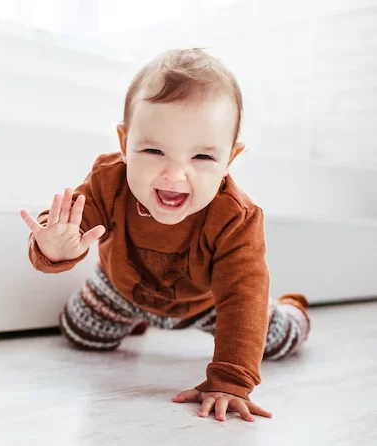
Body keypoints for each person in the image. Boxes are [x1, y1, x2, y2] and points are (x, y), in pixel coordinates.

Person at [19, 48, 310, 422]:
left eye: (202, 158)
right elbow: (72, 220)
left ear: (229, 160)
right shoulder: (109, 181)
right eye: (154, 150)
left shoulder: (236, 218)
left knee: (274, 340)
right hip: (120, 289)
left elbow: (242, 296)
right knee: (81, 333)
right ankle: (136, 319)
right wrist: (54, 245)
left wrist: (229, 380)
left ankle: (294, 311)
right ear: (125, 145)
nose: (174, 175)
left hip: (206, 304)